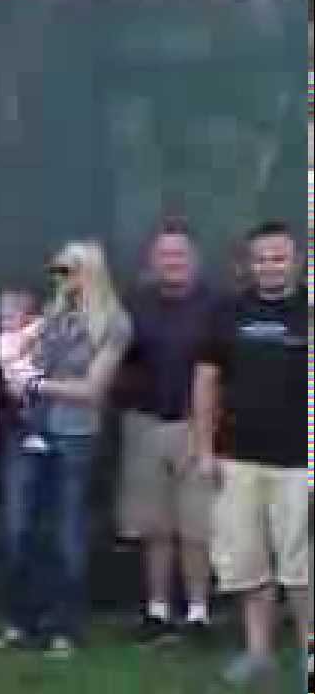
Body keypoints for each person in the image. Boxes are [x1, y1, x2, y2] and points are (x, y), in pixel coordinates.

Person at [0, 240, 130, 658]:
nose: (61, 278)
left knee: (67, 532)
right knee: (21, 529)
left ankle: (64, 627)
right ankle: (23, 621)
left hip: (75, 436)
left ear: (91, 272)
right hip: (30, 431)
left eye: (68, 270)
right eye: (57, 270)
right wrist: (17, 361)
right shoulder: (52, 316)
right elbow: (19, 353)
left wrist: (35, 384)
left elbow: (93, 390)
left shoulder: (114, 322)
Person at [191, 221, 308, 687]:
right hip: (237, 460)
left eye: (279, 258)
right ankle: (259, 654)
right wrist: (204, 448)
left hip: (300, 463)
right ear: (248, 263)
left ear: (296, 260)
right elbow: (205, 381)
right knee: (249, 563)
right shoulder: (227, 312)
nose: (270, 267)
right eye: (261, 259)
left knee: (301, 569)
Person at [113, 220, 218, 645]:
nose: (173, 262)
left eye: (180, 255)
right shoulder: (133, 306)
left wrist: (209, 430)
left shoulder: (215, 307)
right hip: (144, 423)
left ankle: (197, 615)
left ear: (194, 260)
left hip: (199, 426)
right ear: (152, 262)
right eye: (165, 255)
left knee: (196, 528)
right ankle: (157, 612)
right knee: (155, 527)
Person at [0, 289, 47, 452]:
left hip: (32, 382)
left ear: (27, 317)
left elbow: (43, 324)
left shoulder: (28, 331)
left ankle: (35, 436)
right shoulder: (1, 337)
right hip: (10, 386)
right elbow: (5, 358)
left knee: (35, 410)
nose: (6, 322)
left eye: (11, 317)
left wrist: (29, 334)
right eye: (2, 318)